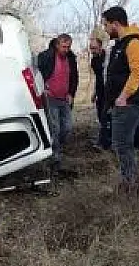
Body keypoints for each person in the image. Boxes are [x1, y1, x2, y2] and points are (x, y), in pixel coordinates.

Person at [101, 6, 139, 195]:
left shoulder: (134, 43)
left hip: (130, 103)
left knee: (122, 144)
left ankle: (131, 184)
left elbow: (138, 73)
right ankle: (128, 181)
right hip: (122, 103)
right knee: (121, 143)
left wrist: (123, 97)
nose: (105, 29)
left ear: (115, 23)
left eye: (106, 25)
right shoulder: (120, 44)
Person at [36, 33, 79, 176]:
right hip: (51, 98)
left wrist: (71, 93)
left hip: (64, 99)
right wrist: (43, 88)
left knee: (67, 128)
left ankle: (55, 147)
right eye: (63, 46)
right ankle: (55, 159)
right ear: (57, 45)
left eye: (68, 47)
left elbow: (74, 77)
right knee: (55, 127)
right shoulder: (46, 56)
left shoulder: (71, 58)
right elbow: (38, 73)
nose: (66, 49)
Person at [88, 36, 112, 151]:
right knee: (101, 116)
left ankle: (105, 142)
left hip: (109, 92)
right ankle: (103, 140)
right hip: (100, 92)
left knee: (105, 117)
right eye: (91, 48)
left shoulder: (107, 57)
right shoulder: (93, 60)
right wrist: (94, 92)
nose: (92, 51)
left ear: (100, 46)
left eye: (94, 48)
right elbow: (98, 77)